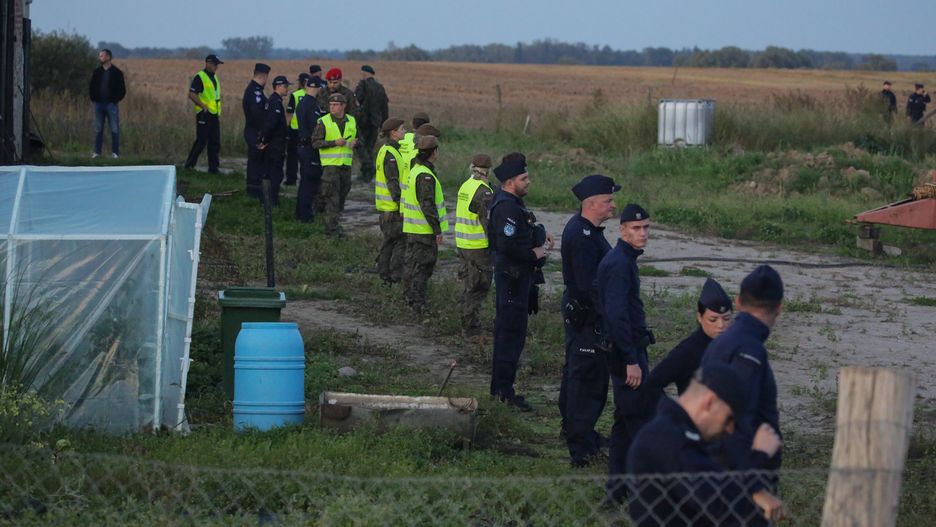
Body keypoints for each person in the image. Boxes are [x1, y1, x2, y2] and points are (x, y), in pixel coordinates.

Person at [627, 364, 786, 526]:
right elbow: (721, 506)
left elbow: (722, 487)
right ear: (709, 402)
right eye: (729, 419)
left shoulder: (684, 434)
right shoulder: (667, 439)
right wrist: (759, 456)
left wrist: (754, 490)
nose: (730, 430)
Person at [559, 174, 619, 467]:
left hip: (588, 316)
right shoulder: (582, 236)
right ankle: (580, 446)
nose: (612, 205)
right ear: (591, 203)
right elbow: (586, 286)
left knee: (583, 378)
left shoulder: (589, 231)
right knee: (586, 382)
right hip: (587, 319)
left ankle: (583, 434)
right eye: (608, 201)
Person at [701, 265, 784, 473]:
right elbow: (736, 418)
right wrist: (754, 484)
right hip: (736, 475)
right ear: (780, 307)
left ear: (737, 302)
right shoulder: (749, 351)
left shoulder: (724, 340)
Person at [598, 203, 654, 503]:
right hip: (626, 355)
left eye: (646, 227)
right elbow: (616, 316)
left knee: (623, 425)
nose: (642, 233)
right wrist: (632, 360)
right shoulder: (619, 263)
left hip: (627, 351)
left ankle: (616, 491)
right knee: (641, 424)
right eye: (636, 228)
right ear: (622, 230)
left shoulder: (624, 259)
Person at [488, 153, 553, 411]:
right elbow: (506, 244)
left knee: (511, 336)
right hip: (512, 281)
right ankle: (504, 393)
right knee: (509, 337)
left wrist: (540, 235)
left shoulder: (514, 204)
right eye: (523, 178)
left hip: (519, 280)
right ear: (509, 181)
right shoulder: (506, 206)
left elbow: (521, 231)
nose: (529, 182)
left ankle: (502, 390)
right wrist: (532, 254)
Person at [642, 278, 733, 412]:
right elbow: (652, 383)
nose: (721, 325)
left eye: (726, 319)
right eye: (713, 319)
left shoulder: (734, 344)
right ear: (700, 317)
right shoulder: (688, 351)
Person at [401, 135, 448, 312]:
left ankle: (410, 298)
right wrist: (437, 230)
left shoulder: (416, 169)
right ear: (434, 152)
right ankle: (417, 303)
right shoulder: (425, 175)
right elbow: (427, 205)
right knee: (423, 267)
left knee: (413, 265)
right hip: (423, 230)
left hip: (414, 228)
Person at [455, 154, 495, 337]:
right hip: (477, 245)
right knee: (479, 285)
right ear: (488, 170)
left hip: (463, 242)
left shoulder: (466, 185)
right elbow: (487, 222)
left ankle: (465, 319)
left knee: (468, 281)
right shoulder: (483, 191)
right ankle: (471, 326)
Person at [311, 93, 357, 236]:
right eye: (331, 105)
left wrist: (354, 143)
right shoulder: (323, 122)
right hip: (330, 166)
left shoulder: (351, 120)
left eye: (336, 105)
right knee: (332, 197)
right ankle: (331, 229)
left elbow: (356, 137)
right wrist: (333, 143)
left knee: (342, 195)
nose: (333, 107)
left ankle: (332, 222)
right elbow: (315, 142)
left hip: (345, 165)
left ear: (343, 106)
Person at [374, 117, 407, 283]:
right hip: (392, 208)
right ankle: (394, 276)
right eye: (402, 129)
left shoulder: (386, 149)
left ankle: (384, 275)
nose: (405, 132)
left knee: (388, 243)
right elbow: (393, 182)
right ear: (393, 132)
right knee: (400, 243)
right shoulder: (391, 154)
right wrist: (401, 205)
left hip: (386, 207)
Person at [184, 54, 223, 173]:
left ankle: (213, 169)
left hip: (214, 114)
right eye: (215, 64)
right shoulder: (200, 77)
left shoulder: (214, 77)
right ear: (208, 63)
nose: (216, 67)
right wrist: (203, 106)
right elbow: (192, 94)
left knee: (215, 142)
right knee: (201, 141)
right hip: (204, 114)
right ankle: (189, 166)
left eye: (217, 65)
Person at [295, 77, 327, 223]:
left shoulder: (302, 102)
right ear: (318, 88)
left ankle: (299, 213)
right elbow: (315, 128)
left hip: (302, 146)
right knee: (310, 183)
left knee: (304, 182)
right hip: (309, 148)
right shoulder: (311, 105)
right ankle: (306, 216)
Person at [257, 75, 291, 206]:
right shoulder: (275, 102)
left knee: (272, 172)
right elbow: (271, 124)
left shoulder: (274, 100)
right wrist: (265, 140)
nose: (287, 88)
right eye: (286, 86)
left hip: (274, 144)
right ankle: (271, 201)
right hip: (275, 145)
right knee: (275, 174)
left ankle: (268, 200)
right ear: (278, 86)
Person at [353, 65, 389, 182]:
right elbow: (385, 107)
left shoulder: (362, 84)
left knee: (360, 146)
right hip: (375, 122)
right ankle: (367, 175)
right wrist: (384, 125)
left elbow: (357, 99)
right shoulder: (380, 87)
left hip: (363, 122)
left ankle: (369, 168)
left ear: (364, 73)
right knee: (369, 148)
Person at [88, 48, 126, 159]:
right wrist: (94, 98)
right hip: (99, 105)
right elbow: (91, 87)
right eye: (99, 56)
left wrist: (115, 100)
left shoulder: (117, 73)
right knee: (98, 128)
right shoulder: (97, 72)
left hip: (111, 105)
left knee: (114, 129)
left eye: (102, 56)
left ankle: (115, 153)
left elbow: (122, 90)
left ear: (108, 57)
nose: (100, 58)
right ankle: (97, 152)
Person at [242, 63, 271, 201]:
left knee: (257, 162)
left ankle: (255, 190)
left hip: (254, 131)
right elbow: (256, 115)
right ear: (264, 76)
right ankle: (253, 193)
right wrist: (262, 134)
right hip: (255, 132)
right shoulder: (255, 92)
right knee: (255, 163)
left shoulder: (254, 90)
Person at [284, 73, 311, 186]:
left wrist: (287, 127)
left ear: (300, 82)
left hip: (295, 130)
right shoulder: (313, 96)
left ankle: (291, 180)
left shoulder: (295, 95)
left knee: (292, 157)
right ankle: (306, 179)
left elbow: (289, 113)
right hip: (308, 131)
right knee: (306, 157)